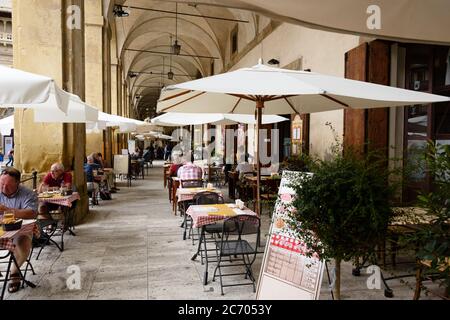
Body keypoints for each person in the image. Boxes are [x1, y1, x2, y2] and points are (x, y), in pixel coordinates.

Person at [0, 167, 38, 293]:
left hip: (20, 229)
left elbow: (31, 213)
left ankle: (14, 273)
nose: (4, 188)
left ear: (18, 183)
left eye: (8, 186)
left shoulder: (27, 194)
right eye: (1, 184)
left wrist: (6, 210)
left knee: (23, 243)